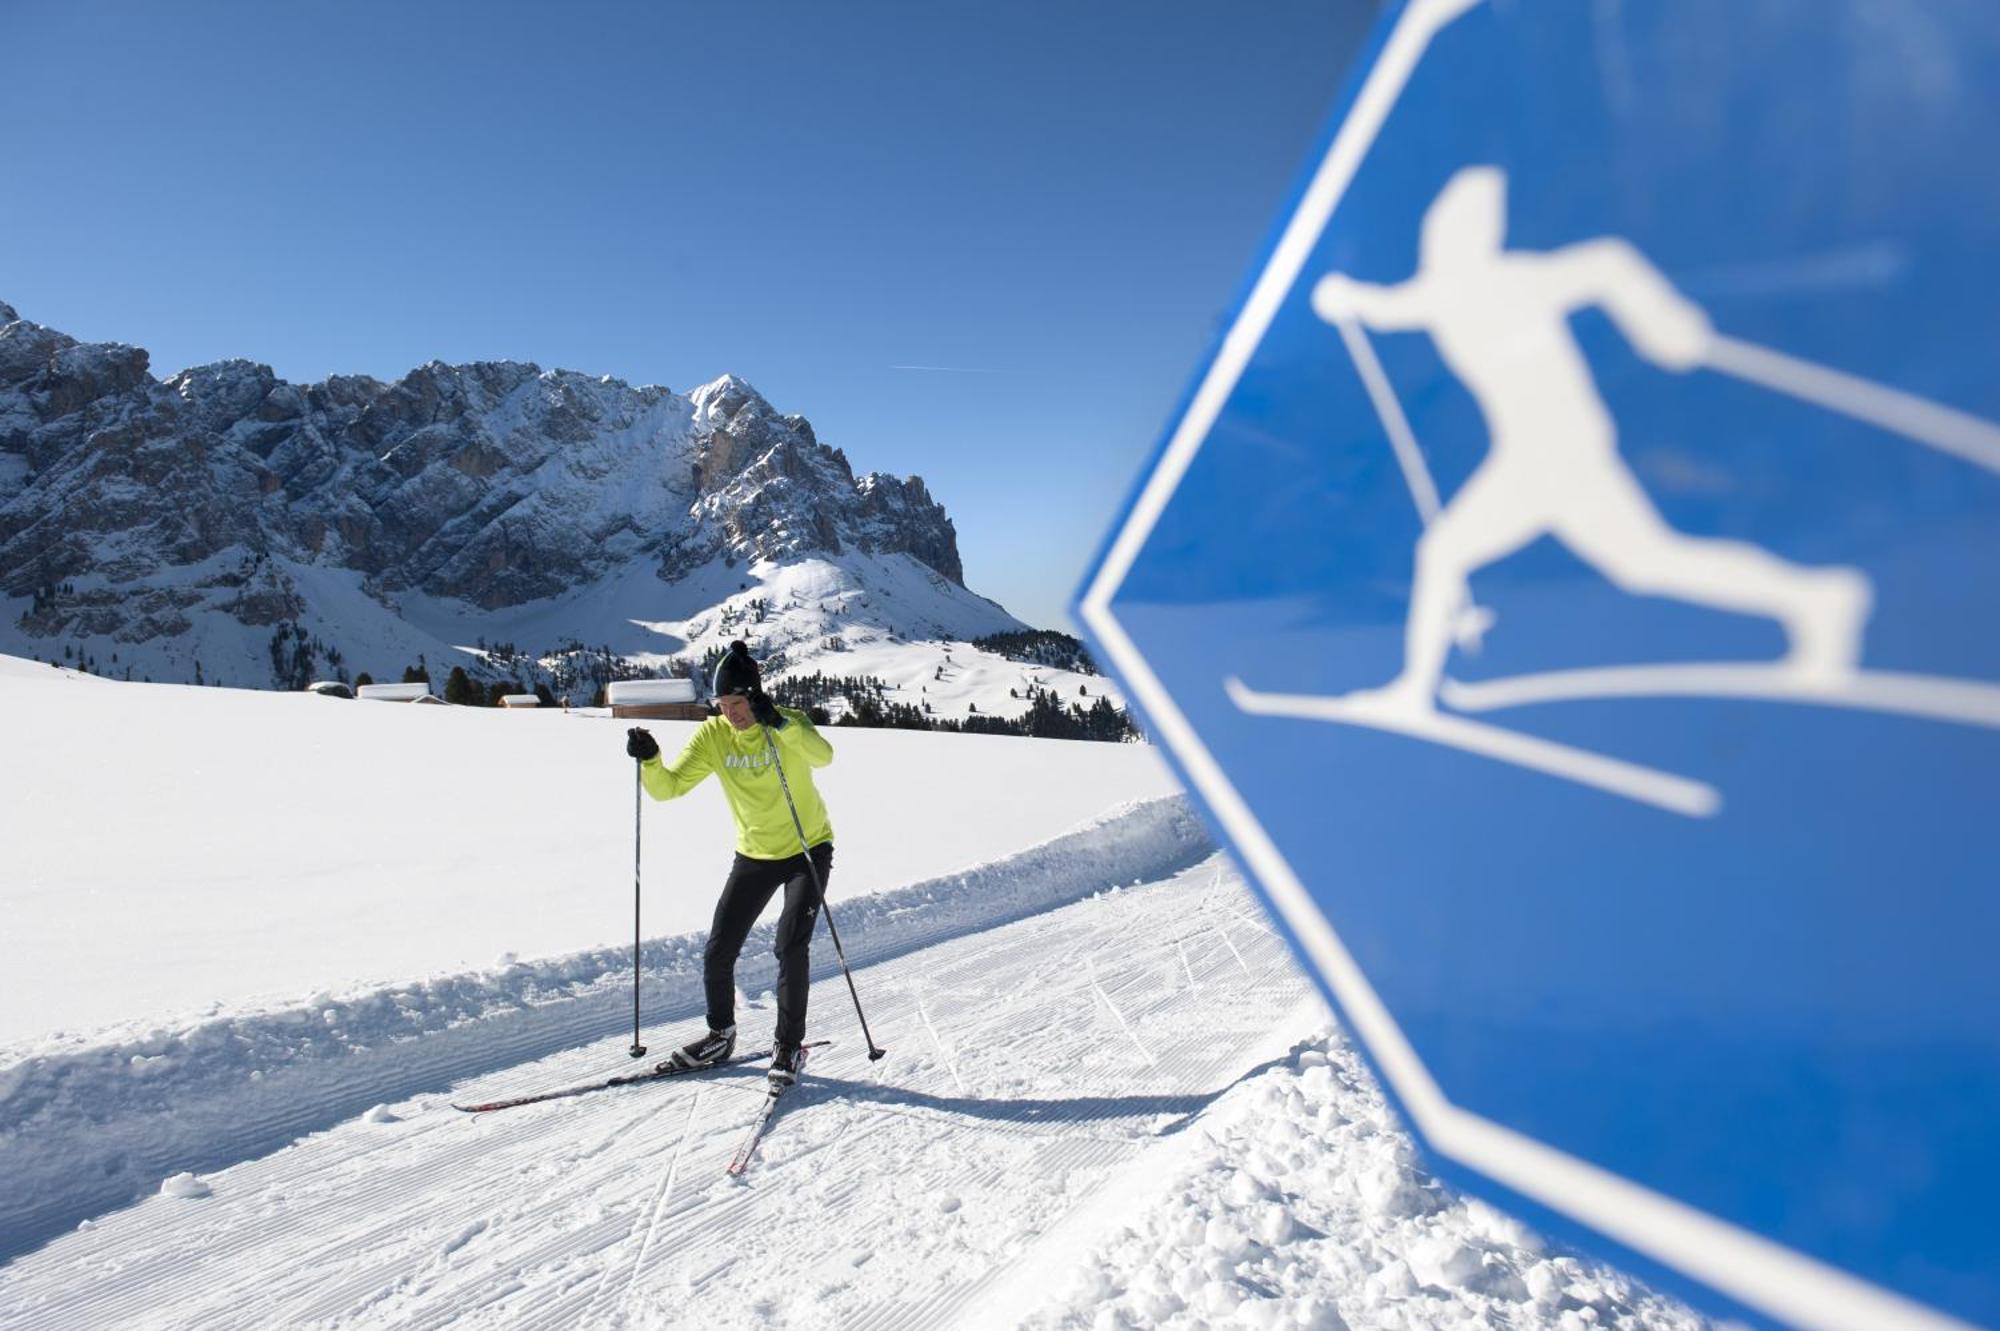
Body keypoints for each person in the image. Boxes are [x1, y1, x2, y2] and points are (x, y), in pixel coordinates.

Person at [623, 640, 834, 1086]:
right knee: (719, 949)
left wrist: (779, 724)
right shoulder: (714, 735)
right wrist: (651, 760)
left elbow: (823, 756)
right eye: (722, 704)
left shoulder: (786, 724)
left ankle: (789, 1046)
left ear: (754, 696)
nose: (730, 713)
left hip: (807, 848)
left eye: (737, 703)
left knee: (790, 945)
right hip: (754, 853)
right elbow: (669, 789)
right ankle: (720, 1034)